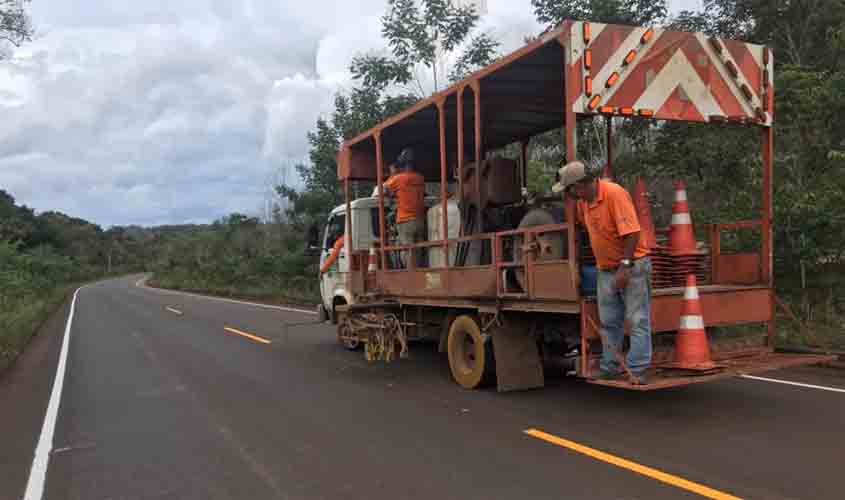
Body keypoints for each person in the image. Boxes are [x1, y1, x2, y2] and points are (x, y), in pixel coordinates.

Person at [553, 160, 652, 384]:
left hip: (632, 265)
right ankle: (610, 366)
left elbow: (633, 233)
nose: (570, 197)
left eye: (569, 192)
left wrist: (625, 267)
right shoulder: (584, 203)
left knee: (637, 319)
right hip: (605, 269)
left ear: (579, 187)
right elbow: (579, 224)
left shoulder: (614, 194)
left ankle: (637, 370)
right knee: (609, 322)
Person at [383, 148, 426, 267]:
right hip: (420, 220)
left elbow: (383, 190)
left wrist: (392, 174)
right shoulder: (420, 178)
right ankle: (420, 271)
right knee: (419, 250)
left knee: (407, 251)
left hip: (405, 221)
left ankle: (411, 276)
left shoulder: (398, 179)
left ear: (402, 164)